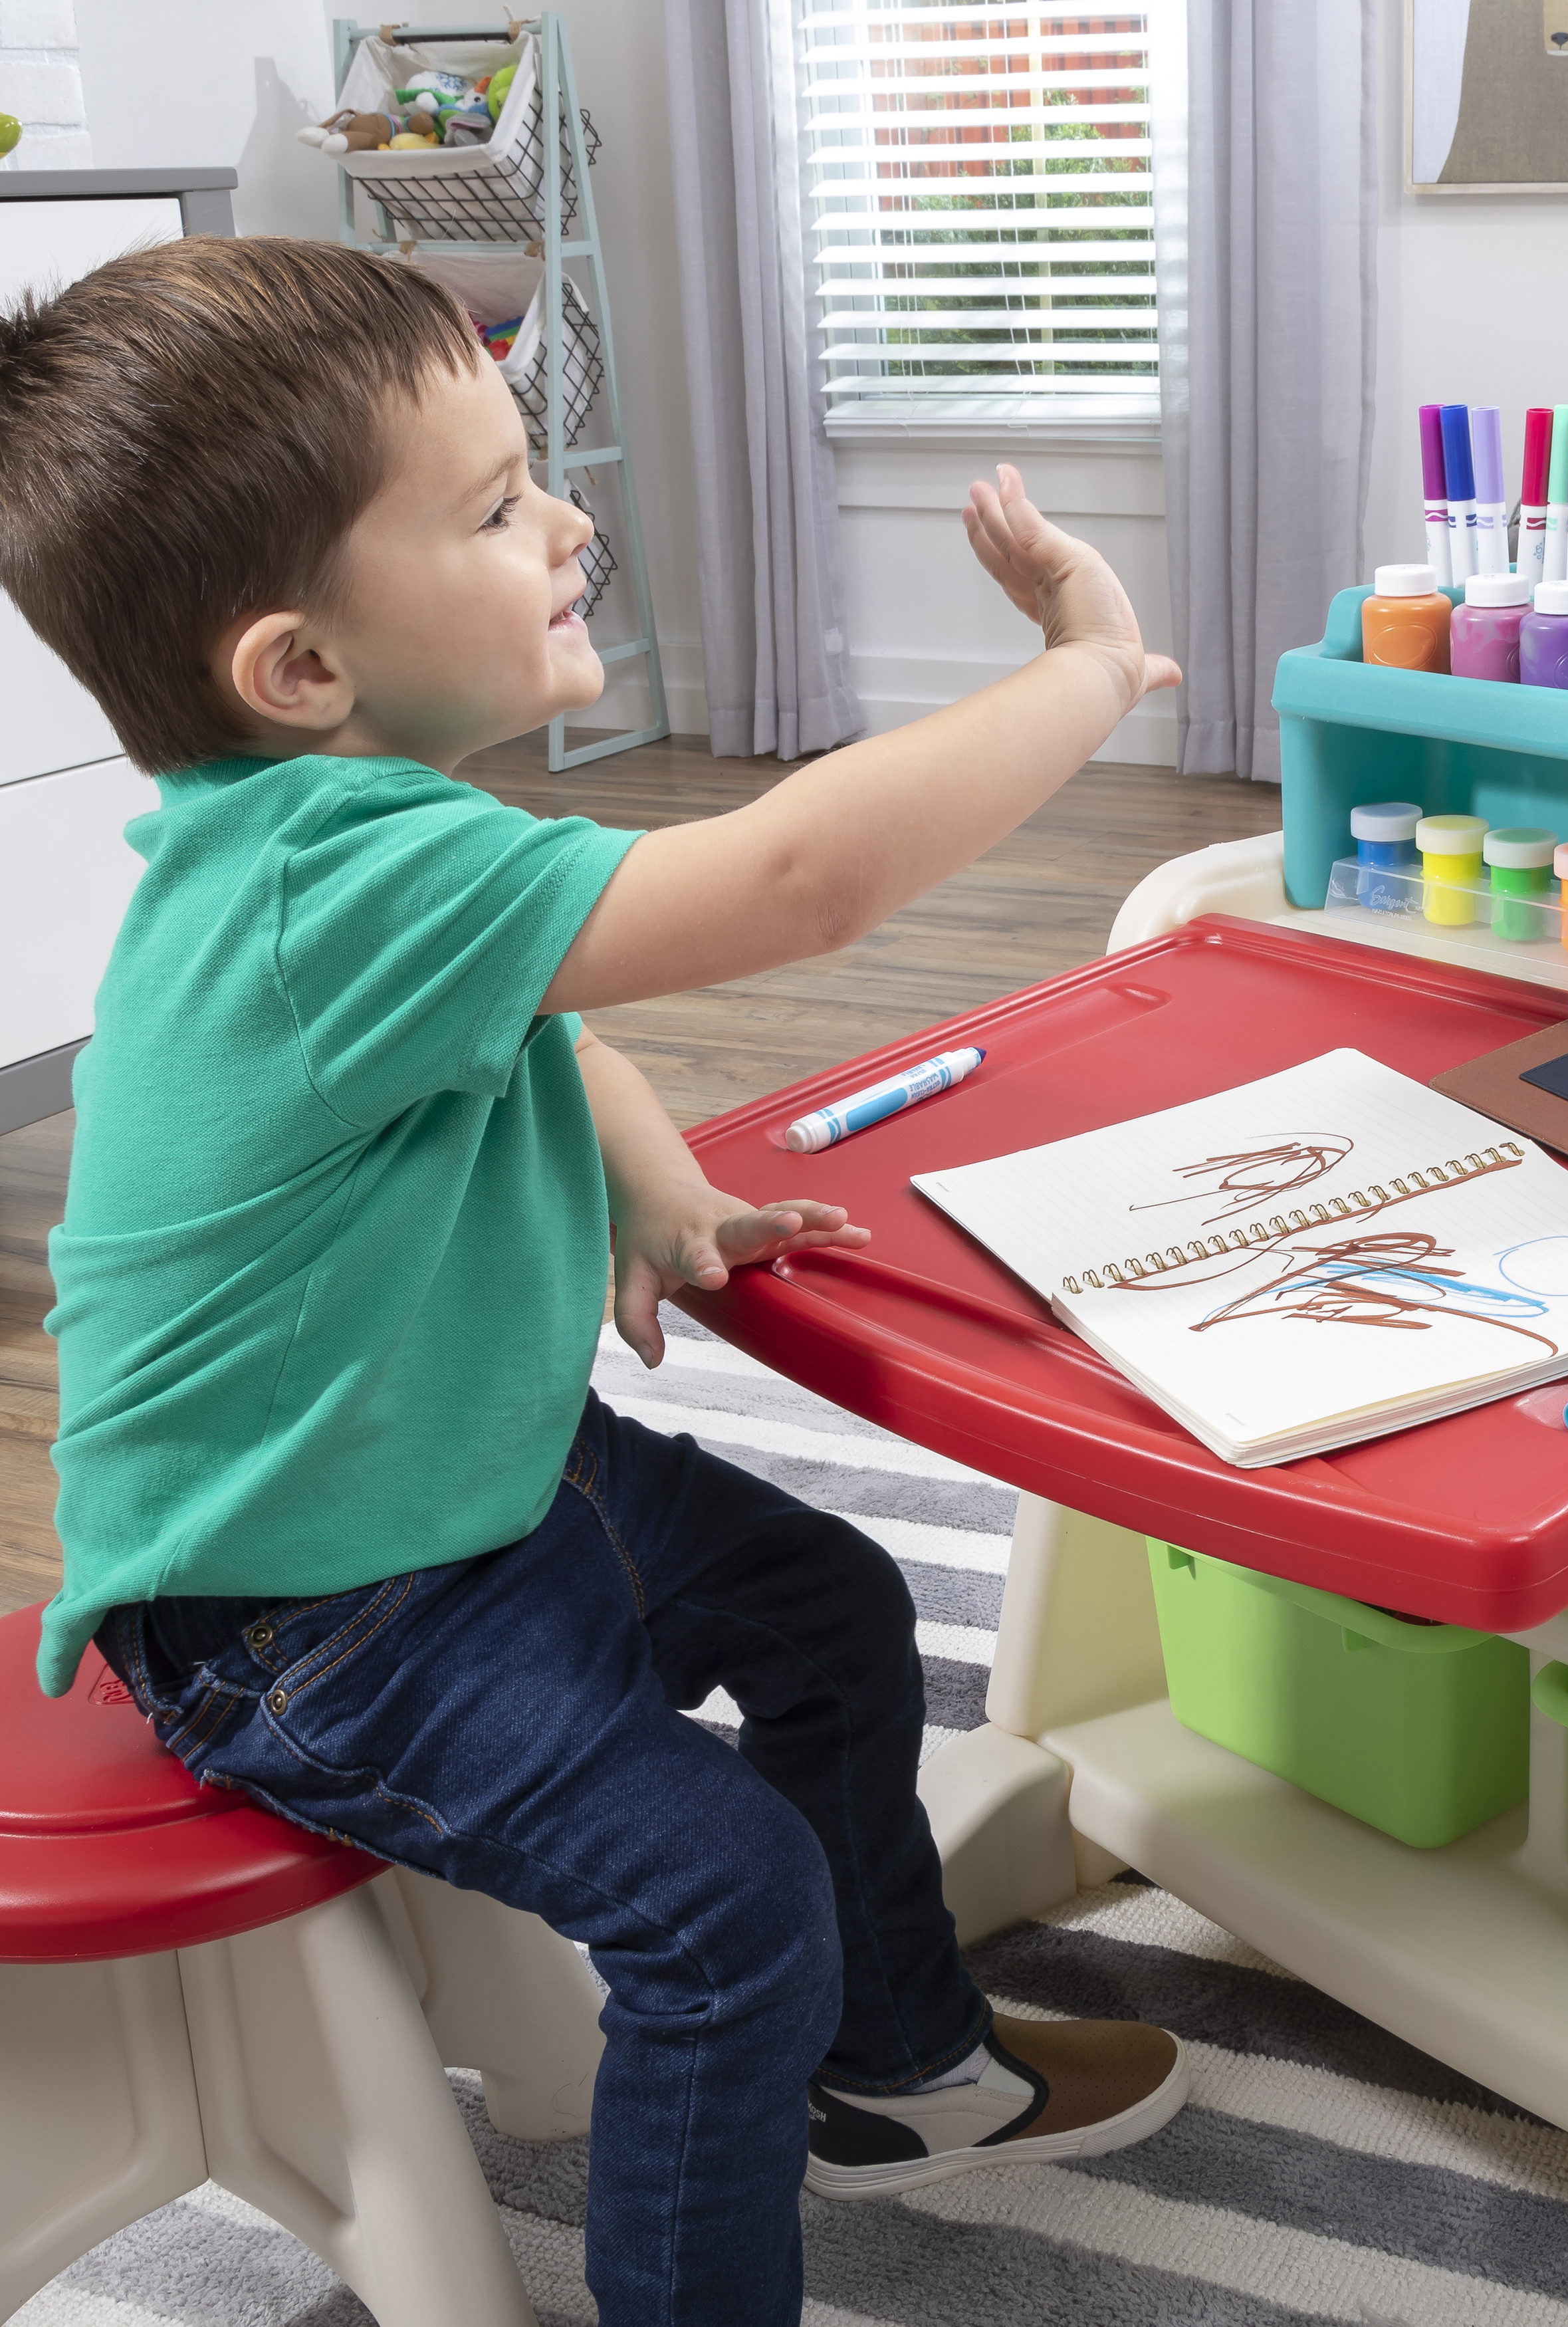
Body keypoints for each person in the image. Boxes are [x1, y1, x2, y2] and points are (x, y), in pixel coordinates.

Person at [0, 238, 1188, 2327]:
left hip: (454, 1488)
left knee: (829, 1600)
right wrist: (1082, 658)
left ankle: (899, 2067)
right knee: (724, 1903)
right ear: (300, 668)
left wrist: (656, 1202)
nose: (565, 522)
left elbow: (554, 1026)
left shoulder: (337, 834)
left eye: (528, 469)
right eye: (488, 507)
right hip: (303, 1607)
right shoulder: (328, 867)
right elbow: (806, 875)